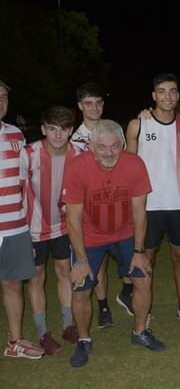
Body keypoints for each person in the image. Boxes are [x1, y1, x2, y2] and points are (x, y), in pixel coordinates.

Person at [62, 120, 165, 367]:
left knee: (143, 278)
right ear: (91, 146)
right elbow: (73, 218)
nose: (109, 153)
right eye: (102, 147)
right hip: (90, 237)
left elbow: (140, 211)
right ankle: (84, 340)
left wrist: (139, 251)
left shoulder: (134, 164)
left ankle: (140, 332)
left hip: (125, 234)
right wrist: (81, 259)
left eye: (115, 146)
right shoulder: (77, 168)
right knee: (81, 287)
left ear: (122, 144)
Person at [126, 74, 180, 327]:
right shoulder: (138, 124)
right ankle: (144, 311)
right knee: (147, 258)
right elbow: (128, 167)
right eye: (161, 91)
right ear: (153, 95)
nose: (167, 96)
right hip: (148, 205)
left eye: (172, 91)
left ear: (178, 96)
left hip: (179, 203)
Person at [22, 106, 81, 355]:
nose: (58, 135)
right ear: (44, 129)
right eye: (52, 129)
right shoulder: (28, 154)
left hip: (64, 225)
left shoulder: (78, 153)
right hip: (33, 228)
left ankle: (68, 325)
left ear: (70, 131)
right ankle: (42, 332)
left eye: (64, 129)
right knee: (36, 278)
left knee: (64, 272)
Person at [0, 80, 45, 360]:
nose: (0, 101)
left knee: (13, 283)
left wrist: (28, 228)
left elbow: (24, 183)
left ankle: (14, 341)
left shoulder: (16, 134)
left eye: (3, 96)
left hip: (15, 225)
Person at [70, 82, 117, 329]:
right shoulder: (75, 141)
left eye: (98, 102)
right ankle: (97, 308)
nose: (95, 107)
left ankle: (105, 304)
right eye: (89, 103)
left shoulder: (112, 132)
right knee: (90, 262)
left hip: (112, 206)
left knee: (107, 261)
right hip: (87, 210)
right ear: (80, 106)